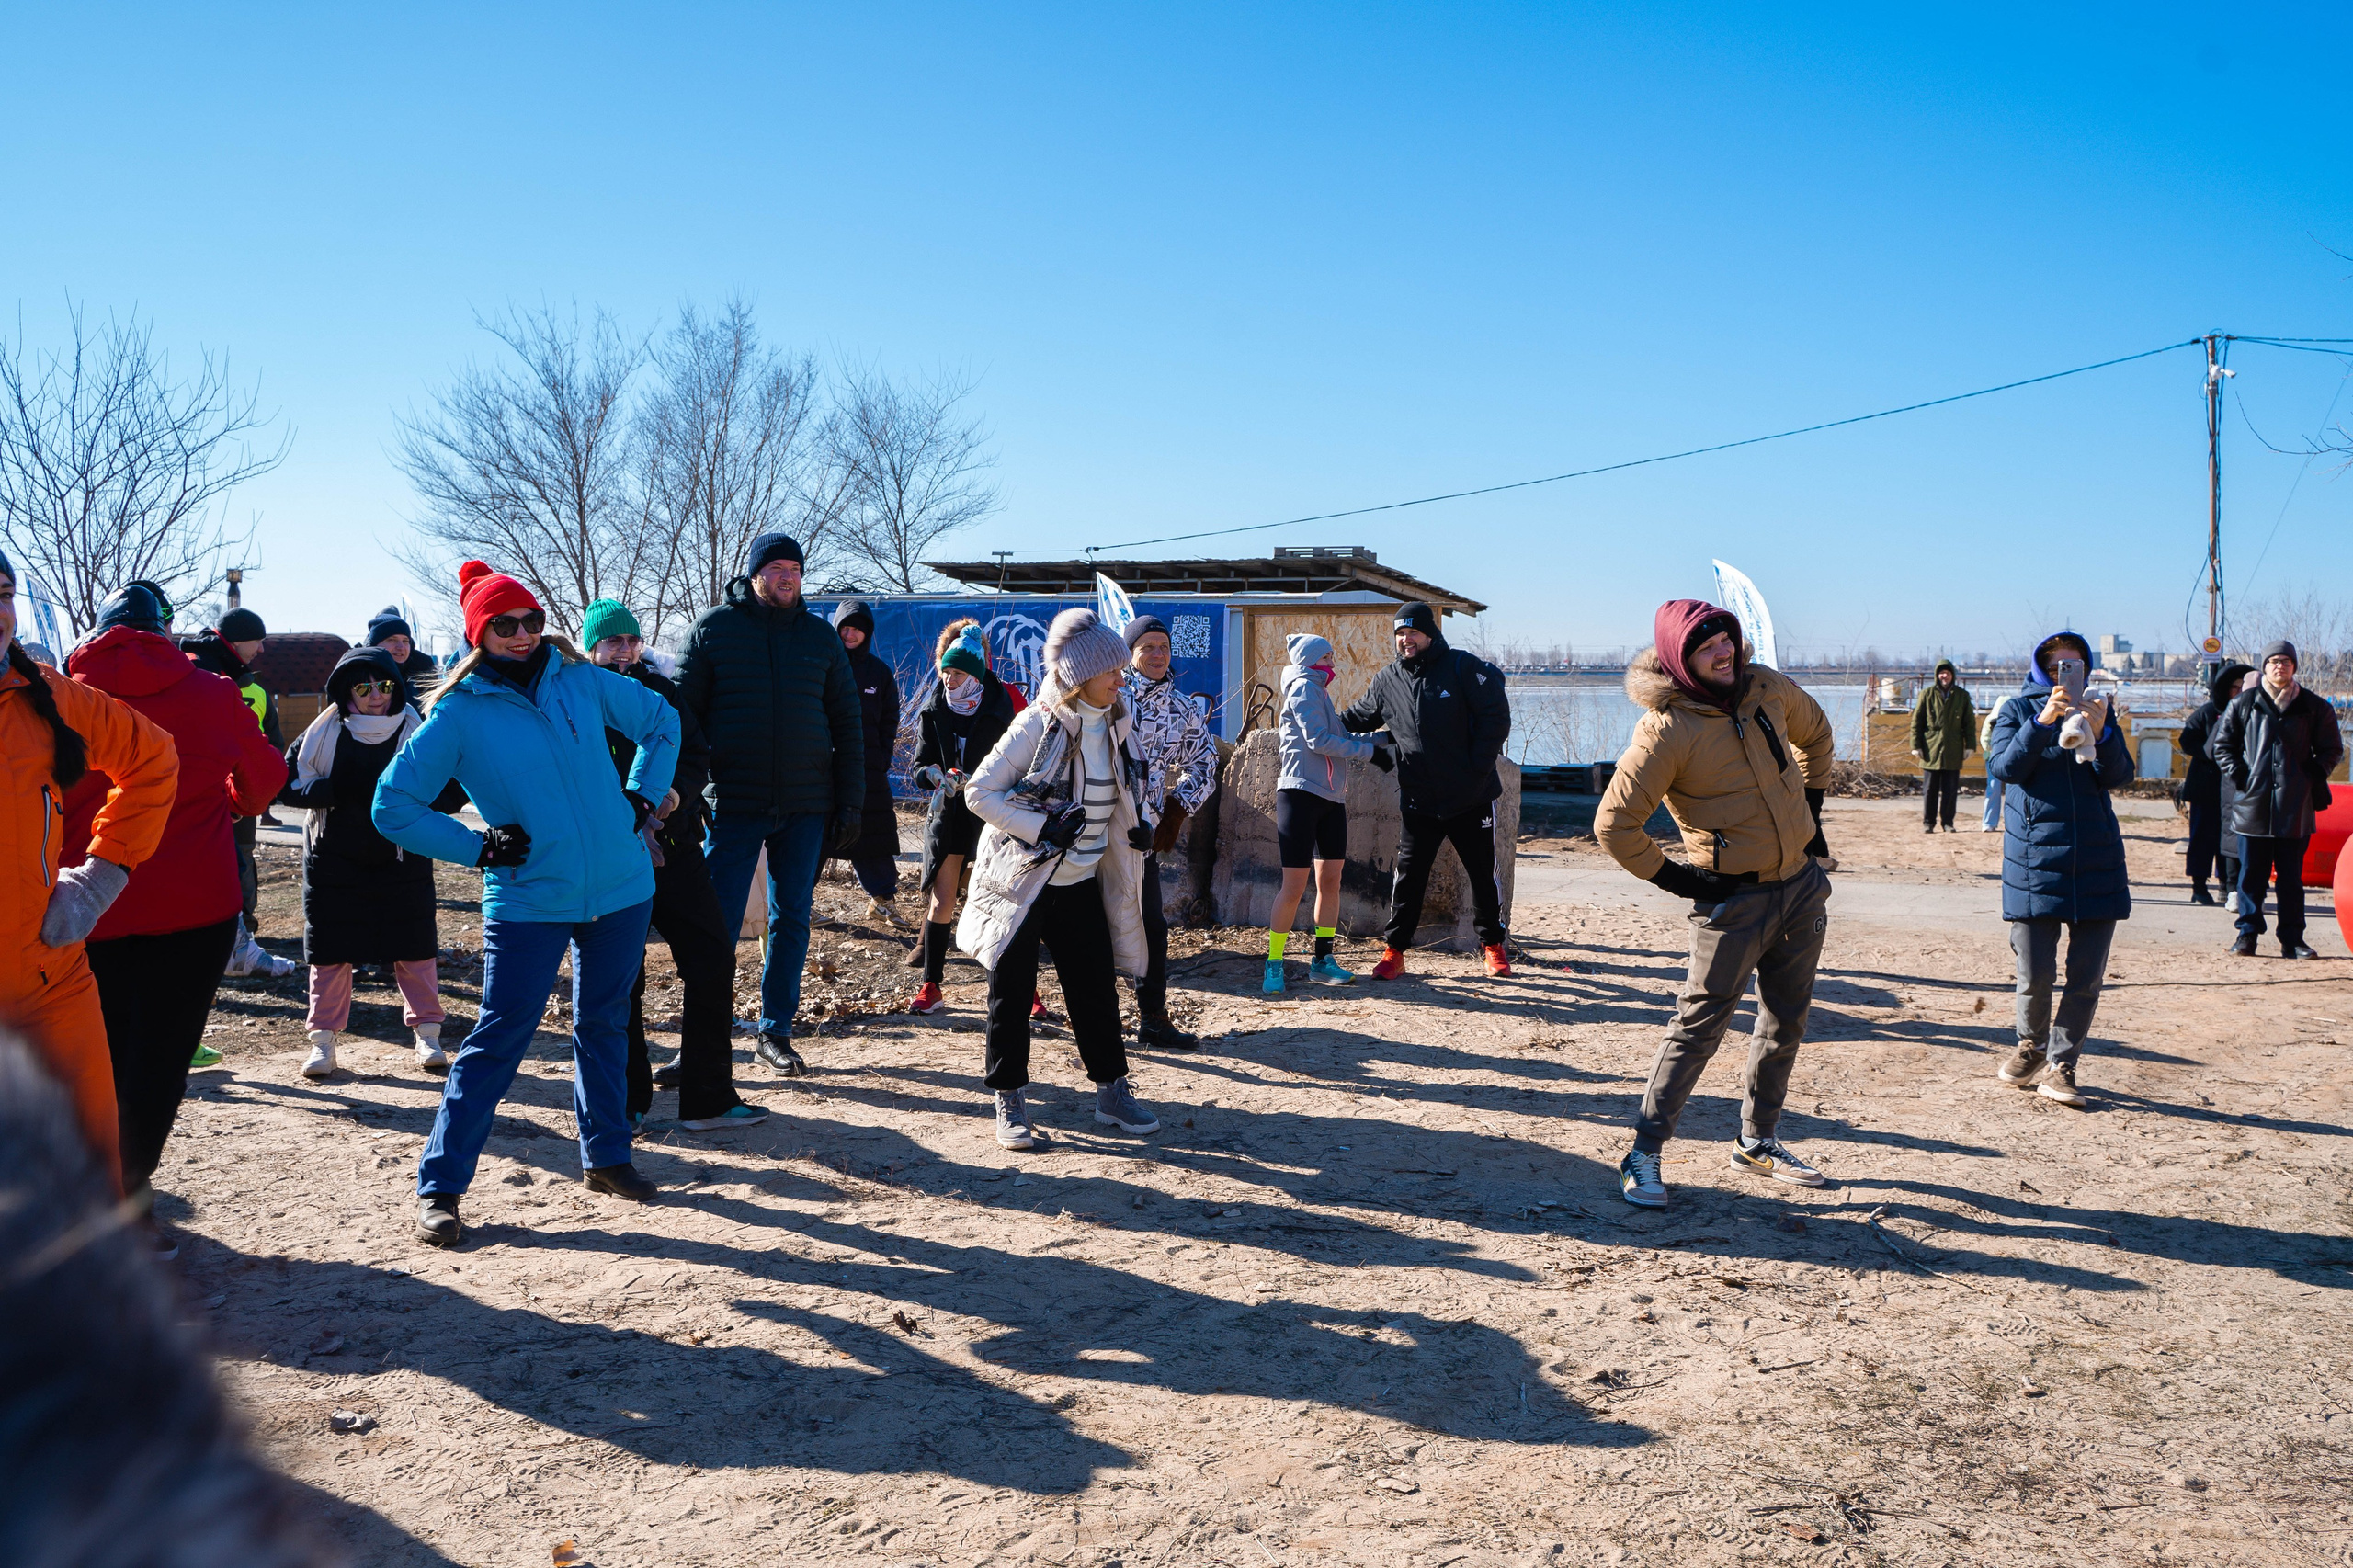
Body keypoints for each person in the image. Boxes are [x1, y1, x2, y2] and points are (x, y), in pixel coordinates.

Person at [374, 562, 679, 1248]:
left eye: (532, 621)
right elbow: (390, 805)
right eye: (504, 625)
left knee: (603, 1023)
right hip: (528, 899)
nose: (522, 635)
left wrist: (642, 792)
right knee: (498, 1039)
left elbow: (662, 722)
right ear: (480, 633)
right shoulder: (456, 713)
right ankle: (441, 1187)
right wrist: (476, 848)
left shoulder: (580, 679)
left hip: (623, 888)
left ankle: (606, 1159)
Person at [63, 585, 287, 1249]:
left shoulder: (56, 695)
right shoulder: (215, 692)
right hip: (195, 905)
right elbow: (265, 783)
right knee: (160, 1059)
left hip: (85, 903)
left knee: (88, 1056)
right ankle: (129, 1200)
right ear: (166, 632)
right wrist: (227, 799)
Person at [1596, 599, 1837, 1208]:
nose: (1723, 652)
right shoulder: (1666, 728)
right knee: (1698, 1027)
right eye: (1706, 647)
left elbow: (1818, 734)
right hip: (1733, 901)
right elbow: (1614, 824)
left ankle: (1757, 1142)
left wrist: (1811, 814)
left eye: (1726, 639)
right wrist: (1681, 881)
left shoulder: (1766, 689)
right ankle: (1643, 1154)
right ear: (1682, 660)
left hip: (1800, 888)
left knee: (1786, 1021)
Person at [0, 555, 179, 1197]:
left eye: (2, 594)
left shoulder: (45, 696)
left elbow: (154, 759)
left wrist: (100, 880)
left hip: (50, 980)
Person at [957, 608, 1159, 1150]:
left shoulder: (1118, 719)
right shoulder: (1036, 724)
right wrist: (1041, 824)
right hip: (1024, 881)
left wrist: (1146, 827)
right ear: (1079, 675)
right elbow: (978, 793)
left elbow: (1136, 787)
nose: (1122, 679)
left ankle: (1112, 1091)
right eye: (1112, 670)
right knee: (1012, 990)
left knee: (1095, 988)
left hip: (1080, 880)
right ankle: (1010, 1097)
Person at [676, 533, 862, 1079]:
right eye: (777, 568)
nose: (788, 577)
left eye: (796, 569)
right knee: (716, 924)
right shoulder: (714, 630)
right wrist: (687, 797)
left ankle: (774, 1032)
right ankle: (702, 1041)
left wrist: (850, 802)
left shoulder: (820, 639)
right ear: (755, 574)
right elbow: (682, 722)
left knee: (790, 918)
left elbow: (848, 725)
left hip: (806, 807)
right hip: (733, 803)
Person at [579, 598, 767, 1132]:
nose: (624, 650)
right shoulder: (578, 697)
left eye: (631, 640)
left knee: (711, 958)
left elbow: (694, 755)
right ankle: (629, 1100)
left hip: (677, 848)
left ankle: (708, 1098)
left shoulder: (661, 691)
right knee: (623, 978)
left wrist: (676, 800)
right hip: (611, 856)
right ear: (592, 647)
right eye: (613, 641)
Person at [279, 648, 465, 1079]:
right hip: (332, 862)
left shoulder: (422, 733)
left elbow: (454, 790)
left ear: (396, 688)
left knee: (414, 949)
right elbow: (287, 785)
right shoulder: (319, 733)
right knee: (329, 954)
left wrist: (415, 804)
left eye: (384, 685)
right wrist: (328, 792)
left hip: (402, 860)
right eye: (363, 687)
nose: (375, 696)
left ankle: (429, 1036)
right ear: (346, 692)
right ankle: (323, 1043)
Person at [1985, 630, 2136, 1109]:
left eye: (2072, 665)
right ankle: (2030, 1047)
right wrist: (2042, 720)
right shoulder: (2015, 710)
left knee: (2086, 976)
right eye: (2055, 667)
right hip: (2033, 859)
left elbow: (2120, 776)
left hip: (2096, 856)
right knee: (2034, 972)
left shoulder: (2098, 710)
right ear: (2041, 670)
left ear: (2086, 669)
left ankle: (2062, 1064)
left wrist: (2105, 733)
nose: (2063, 675)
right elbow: (2004, 768)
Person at [1341, 601, 1512, 979]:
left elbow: (1496, 717)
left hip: (1471, 797)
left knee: (1483, 874)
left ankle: (1493, 947)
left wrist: (1477, 769)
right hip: (1419, 799)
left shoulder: (1462, 668)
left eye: (1412, 633)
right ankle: (1394, 952)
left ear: (1430, 634)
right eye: (1400, 634)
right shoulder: (1388, 680)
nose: (1405, 640)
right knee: (1409, 877)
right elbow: (1357, 717)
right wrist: (1315, 723)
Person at [904, 621, 1021, 1014]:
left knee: (999, 902)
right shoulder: (935, 705)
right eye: (945, 671)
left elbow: (1019, 764)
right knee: (942, 900)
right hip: (949, 813)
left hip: (992, 815)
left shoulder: (1001, 704)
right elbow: (920, 765)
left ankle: (1025, 993)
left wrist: (984, 782)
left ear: (974, 674)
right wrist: (936, 776)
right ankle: (931, 987)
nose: (948, 679)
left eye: (956, 672)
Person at [1266, 632, 1386, 996]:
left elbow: (1339, 734)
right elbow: (1318, 740)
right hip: (1300, 795)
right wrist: (1369, 754)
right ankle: (1274, 963)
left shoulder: (1320, 692)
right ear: (1312, 660)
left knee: (1331, 881)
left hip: (1332, 799)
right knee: (1294, 886)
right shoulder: (1303, 688)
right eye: (1328, 657)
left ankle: (1322, 962)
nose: (1334, 663)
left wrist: (1380, 740)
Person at [1121, 614, 1221, 1044]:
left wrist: (1176, 811)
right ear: (1130, 655)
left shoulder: (1182, 709)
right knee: (1092, 924)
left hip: (1143, 836)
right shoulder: (1110, 697)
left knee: (1152, 927)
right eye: (1148, 647)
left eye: (1163, 646)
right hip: (1091, 834)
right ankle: (1095, 1019)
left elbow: (1206, 762)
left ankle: (1153, 1019)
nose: (1158, 654)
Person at [2212, 640, 2344, 960]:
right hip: (2251, 806)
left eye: (2286, 661)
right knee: (2250, 877)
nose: (2279, 666)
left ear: (2294, 667)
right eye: (2273, 661)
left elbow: (2332, 749)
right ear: (2264, 666)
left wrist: (2310, 774)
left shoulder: (2314, 706)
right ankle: (2247, 935)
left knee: (2291, 879)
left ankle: (2292, 940)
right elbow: (2222, 747)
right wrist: (2244, 777)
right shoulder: (2244, 704)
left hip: (2295, 807)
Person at [183, 606, 295, 980]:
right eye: (257, 641)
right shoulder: (205, 674)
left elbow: (267, 743)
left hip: (227, 798)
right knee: (218, 869)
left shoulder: (240, 680)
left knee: (236, 866)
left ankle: (236, 938)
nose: (261, 650)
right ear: (236, 640)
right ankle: (228, 948)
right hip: (211, 799)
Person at [828, 598, 908, 927]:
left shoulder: (879, 672)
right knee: (814, 837)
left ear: (868, 632)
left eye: (857, 628)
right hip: (825, 769)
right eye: (845, 627)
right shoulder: (826, 665)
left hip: (868, 770)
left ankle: (883, 901)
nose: (850, 634)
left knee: (873, 834)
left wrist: (882, 756)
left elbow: (890, 719)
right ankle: (798, 903)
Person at [2177, 661, 2254, 905]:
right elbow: (2186, 740)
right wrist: (2211, 755)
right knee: (2202, 838)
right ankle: (2199, 886)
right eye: (2235, 687)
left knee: (2230, 839)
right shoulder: (2208, 712)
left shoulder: (2253, 713)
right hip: (2205, 787)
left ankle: (2227, 885)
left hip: (2235, 789)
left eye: (2244, 687)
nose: (2240, 692)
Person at [1910, 658, 1975, 833]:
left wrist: (1970, 746)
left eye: (1947, 672)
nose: (1944, 676)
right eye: (1941, 673)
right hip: (1931, 747)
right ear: (1937, 675)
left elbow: (1969, 723)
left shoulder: (1961, 696)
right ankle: (1928, 823)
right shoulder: (1927, 694)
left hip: (1953, 748)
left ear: (1953, 675)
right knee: (1929, 789)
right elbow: (1917, 722)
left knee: (1950, 789)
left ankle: (1948, 823)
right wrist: (1916, 745)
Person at [363, 604, 441, 693]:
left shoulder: (422, 668)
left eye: (405, 641)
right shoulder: (358, 670)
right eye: (392, 640)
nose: (401, 647)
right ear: (375, 645)